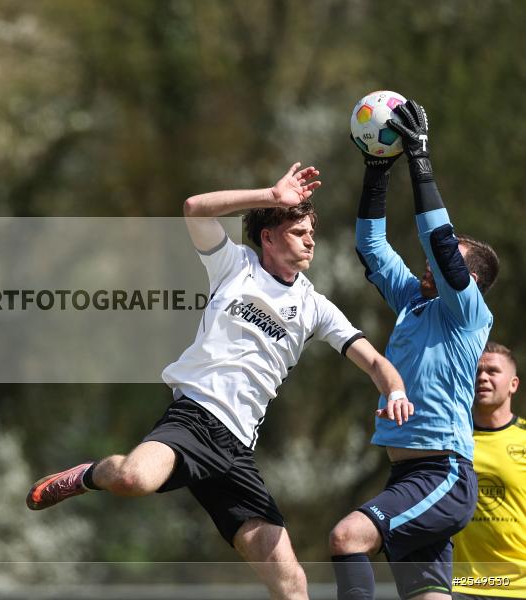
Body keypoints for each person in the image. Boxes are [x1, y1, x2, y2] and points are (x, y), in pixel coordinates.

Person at [27, 163, 414, 600]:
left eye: (311, 233)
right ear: (268, 237)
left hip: (236, 451)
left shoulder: (314, 306)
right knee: (134, 480)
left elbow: (377, 363)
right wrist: (271, 195)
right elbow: (194, 208)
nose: (310, 240)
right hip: (194, 418)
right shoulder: (235, 266)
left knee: (293, 586)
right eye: (297, 231)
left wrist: (395, 390)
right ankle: (87, 475)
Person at [330, 99, 500, 600]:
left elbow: (441, 246)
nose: (426, 263)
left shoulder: (467, 313)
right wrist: (376, 169)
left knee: (347, 537)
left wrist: (419, 159)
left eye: (442, 262)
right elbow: (372, 248)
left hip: (442, 472)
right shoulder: (414, 302)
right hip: (407, 472)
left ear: (468, 281)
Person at [451, 342, 525, 600]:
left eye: (492, 371)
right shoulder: (449, 440)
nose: (482, 376)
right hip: (461, 586)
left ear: (513, 384)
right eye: (476, 371)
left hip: (519, 588)